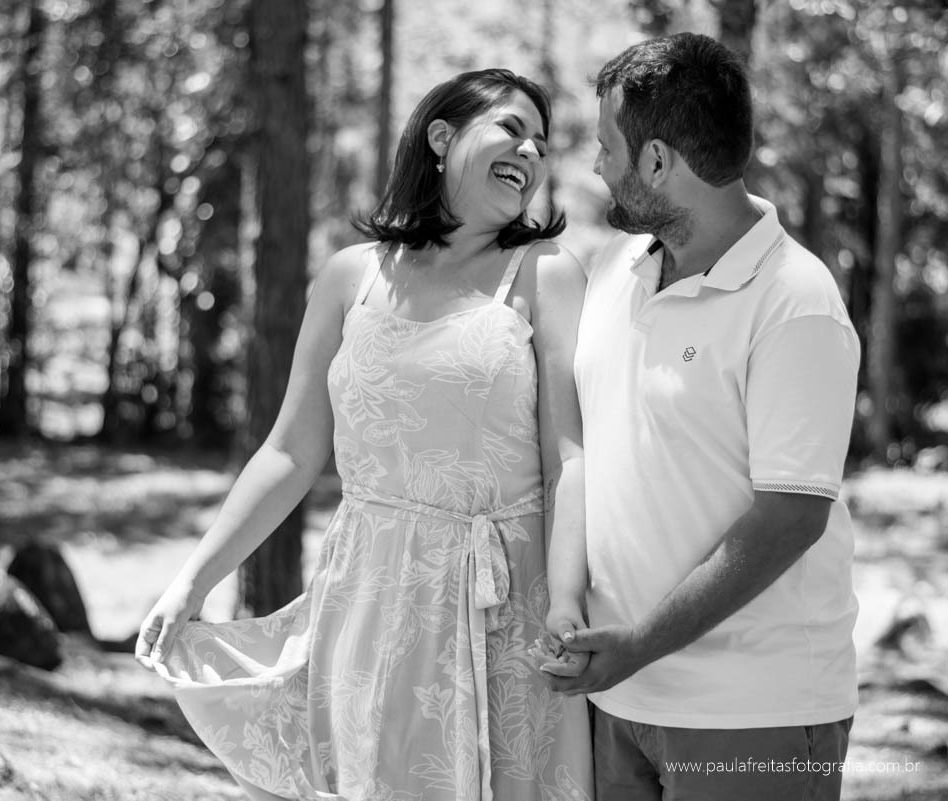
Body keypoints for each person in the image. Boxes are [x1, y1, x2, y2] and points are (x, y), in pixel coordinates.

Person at [135, 68, 594, 801]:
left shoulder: (545, 272)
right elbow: (290, 451)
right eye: (513, 128)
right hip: (369, 598)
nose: (532, 151)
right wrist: (194, 579)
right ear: (441, 137)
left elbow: (568, 456)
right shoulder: (353, 277)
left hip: (505, 607)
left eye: (543, 142)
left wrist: (568, 599)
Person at [541, 32, 860, 801]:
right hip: (620, 699)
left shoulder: (797, 301)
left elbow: (789, 518)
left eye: (607, 145)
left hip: (752, 713)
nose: (595, 166)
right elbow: (585, 449)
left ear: (657, 162)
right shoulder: (619, 273)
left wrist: (639, 645)